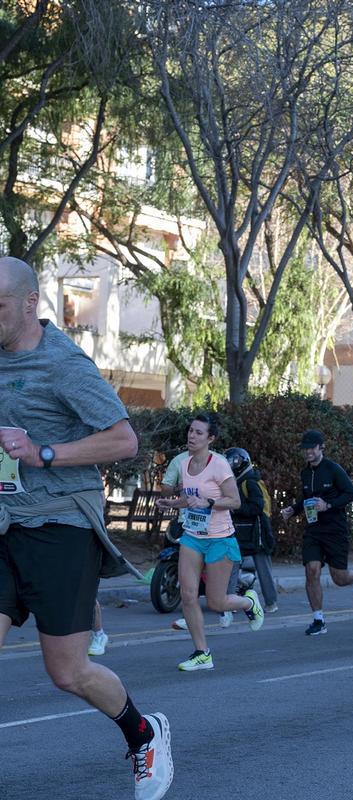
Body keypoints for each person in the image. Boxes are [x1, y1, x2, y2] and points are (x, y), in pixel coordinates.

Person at [0, 256, 173, 800]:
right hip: (5, 523)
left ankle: (144, 734)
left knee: (68, 672)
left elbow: (124, 441)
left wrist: (43, 451)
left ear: (30, 304)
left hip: (61, 526)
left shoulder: (65, 365)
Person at [158, 413, 265, 670]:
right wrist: (172, 503)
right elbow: (189, 497)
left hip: (220, 539)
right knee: (188, 595)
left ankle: (248, 602)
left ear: (210, 438)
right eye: (191, 431)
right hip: (193, 537)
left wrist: (209, 502)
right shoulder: (185, 463)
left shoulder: (218, 464)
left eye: (198, 432)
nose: (192, 436)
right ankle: (202, 652)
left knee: (217, 602)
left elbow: (235, 501)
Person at [280, 430, 353, 636]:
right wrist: (292, 509)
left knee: (339, 578)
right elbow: (307, 498)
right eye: (305, 449)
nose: (308, 452)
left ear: (321, 447)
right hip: (314, 530)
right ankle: (318, 619)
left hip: (335, 530)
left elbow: (351, 494)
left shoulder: (333, 469)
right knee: (311, 570)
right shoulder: (305, 473)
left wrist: (328, 504)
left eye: (311, 448)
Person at [226, 447, 278, 611]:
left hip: (257, 533)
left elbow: (257, 506)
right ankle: (231, 601)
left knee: (261, 568)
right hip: (246, 532)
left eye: (232, 462)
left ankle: (270, 603)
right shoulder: (242, 481)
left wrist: (236, 509)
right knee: (234, 564)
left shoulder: (248, 482)